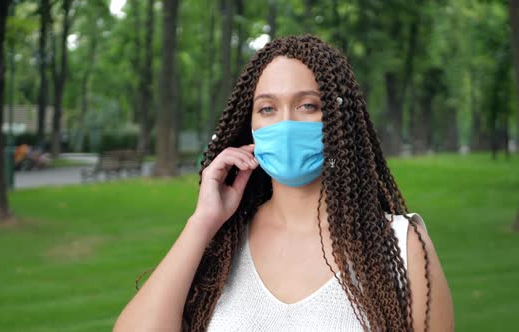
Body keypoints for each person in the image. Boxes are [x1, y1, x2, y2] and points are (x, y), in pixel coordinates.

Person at [114, 35, 454, 332]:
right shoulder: (220, 243)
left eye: (308, 105)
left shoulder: (400, 243)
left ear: (338, 121)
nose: (286, 122)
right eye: (267, 109)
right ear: (250, 128)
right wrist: (202, 222)